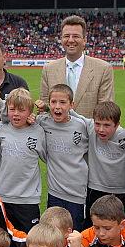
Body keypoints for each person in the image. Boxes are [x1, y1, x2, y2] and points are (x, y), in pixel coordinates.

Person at [34, 84, 89, 230]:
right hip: (54, 192)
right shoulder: (43, 122)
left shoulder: (82, 125)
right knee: (54, 234)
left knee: (74, 233)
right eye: (53, 102)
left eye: (63, 102)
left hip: (77, 194)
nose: (57, 106)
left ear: (72, 105)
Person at [0, 87, 46, 233]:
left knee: (28, 241)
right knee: (2, 240)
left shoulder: (38, 131)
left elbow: (47, 157)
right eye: (12, 109)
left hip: (28, 199)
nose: (16, 114)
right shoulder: (1, 130)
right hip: (3, 196)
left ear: (30, 112)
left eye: (21, 110)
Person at [40, 15, 114, 118]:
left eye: (75, 36)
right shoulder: (48, 69)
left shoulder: (103, 69)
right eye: (66, 36)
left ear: (84, 40)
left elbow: (105, 111)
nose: (70, 40)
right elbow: (44, 109)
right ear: (61, 39)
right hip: (56, 128)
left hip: (89, 128)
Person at [73, 101, 125, 227]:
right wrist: (45, 108)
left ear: (117, 125)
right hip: (95, 189)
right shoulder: (90, 128)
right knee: (93, 226)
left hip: (121, 192)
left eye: (107, 125)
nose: (101, 129)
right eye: (98, 124)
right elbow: (70, 113)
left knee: (119, 227)